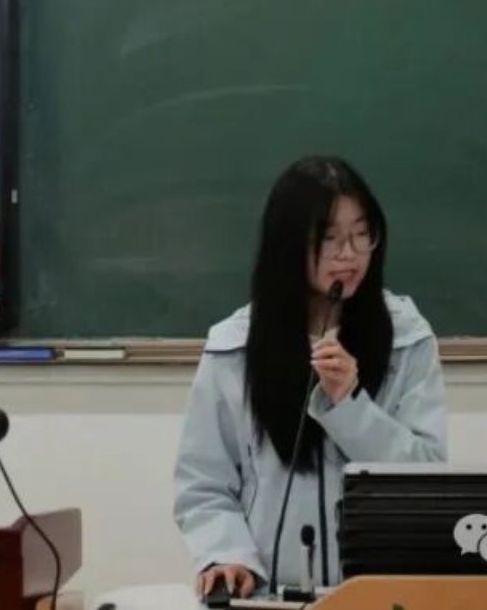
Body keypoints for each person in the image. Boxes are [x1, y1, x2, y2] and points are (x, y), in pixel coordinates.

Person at [172, 155, 448, 600]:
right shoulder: (233, 348)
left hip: (375, 595)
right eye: (330, 238)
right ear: (288, 244)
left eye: (362, 234)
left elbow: (426, 478)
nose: (349, 254)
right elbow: (204, 484)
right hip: (267, 596)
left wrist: (351, 405)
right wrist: (227, 555)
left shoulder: (407, 339)